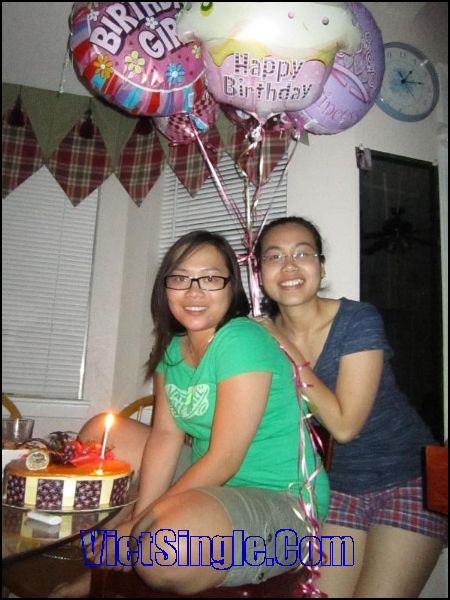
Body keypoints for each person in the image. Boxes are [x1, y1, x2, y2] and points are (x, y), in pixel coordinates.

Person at [51, 230, 329, 598]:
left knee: (165, 550)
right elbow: (165, 436)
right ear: (165, 288)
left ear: (232, 288)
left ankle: (120, 555)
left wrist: (139, 526)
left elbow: (225, 459)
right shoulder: (174, 348)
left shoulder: (242, 340)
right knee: (102, 435)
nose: (194, 291)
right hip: (212, 479)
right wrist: (140, 515)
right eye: (180, 278)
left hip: (283, 500)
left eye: (210, 278)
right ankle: (105, 567)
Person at [254, 216, 448, 598]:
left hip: (408, 478)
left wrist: (282, 344)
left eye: (302, 254)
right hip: (337, 488)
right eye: (274, 256)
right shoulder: (259, 340)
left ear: (321, 267)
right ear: (260, 275)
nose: (289, 266)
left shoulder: (357, 319)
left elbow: (344, 426)